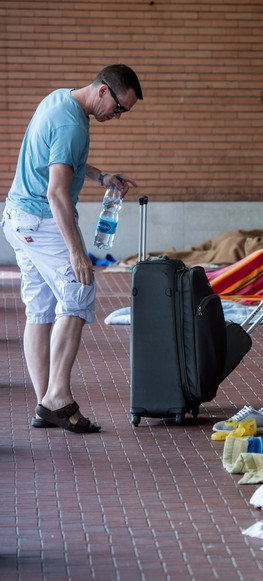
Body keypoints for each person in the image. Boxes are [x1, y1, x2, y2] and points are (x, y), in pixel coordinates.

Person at [2, 64, 142, 433]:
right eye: (119, 108)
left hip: (17, 218)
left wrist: (99, 176)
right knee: (80, 287)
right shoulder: (72, 126)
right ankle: (58, 397)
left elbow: (60, 163)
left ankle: (46, 403)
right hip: (40, 220)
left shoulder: (59, 99)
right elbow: (56, 192)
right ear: (102, 91)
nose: (118, 116)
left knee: (40, 310)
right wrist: (78, 252)